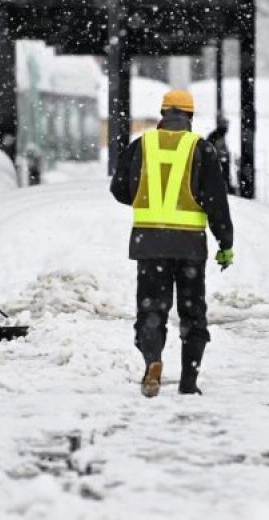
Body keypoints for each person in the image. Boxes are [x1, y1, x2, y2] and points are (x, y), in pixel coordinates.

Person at [110, 89, 234, 397]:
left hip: (149, 243)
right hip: (189, 246)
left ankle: (153, 360)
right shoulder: (201, 149)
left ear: (163, 114)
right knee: (192, 315)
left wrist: (143, 197)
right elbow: (216, 201)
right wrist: (225, 242)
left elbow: (118, 189)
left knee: (152, 311)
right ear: (190, 117)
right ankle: (189, 382)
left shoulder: (141, 145)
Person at [205, 116, 235, 194]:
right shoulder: (215, 135)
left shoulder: (220, 135)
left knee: (224, 176)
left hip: (221, 159)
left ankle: (226, 188)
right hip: (217, 160)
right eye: (225, 126)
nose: (227, 128)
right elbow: (210, 148)